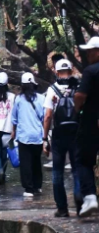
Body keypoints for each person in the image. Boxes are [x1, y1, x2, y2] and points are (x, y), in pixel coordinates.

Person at [43, 59, 81, 217]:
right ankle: (81, 207)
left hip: (59, 134)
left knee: (57, 172)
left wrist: (45, 138)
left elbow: (47, 116)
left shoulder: (52, 90)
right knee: (78, 170)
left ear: (56, 72)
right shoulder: (79, 88)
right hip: (77, 133)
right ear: (71, 71)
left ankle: (62, 209)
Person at [74, 36, 99, 218]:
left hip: (91, 123)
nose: (88, 54)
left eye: (91, 51)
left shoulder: (91, 71)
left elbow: (80, 96)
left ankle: (90, 197)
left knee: (84, 161)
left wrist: (77, 108)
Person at [11, 72, 45, 198]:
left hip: (24, 136)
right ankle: (38, 186)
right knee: (36, 161)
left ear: (23, 86)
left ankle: (29, 189)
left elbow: (14, 118)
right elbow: (44, 117)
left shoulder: (18, 99)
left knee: (26, 163)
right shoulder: (41, 98)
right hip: (37, 136)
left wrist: (13, 131)